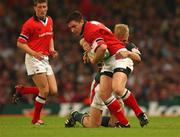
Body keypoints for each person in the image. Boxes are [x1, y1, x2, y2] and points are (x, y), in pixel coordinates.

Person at [66, 11, 148, 127]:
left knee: (117, 95)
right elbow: (92, 43)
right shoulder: (92, 27)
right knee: (93, 124)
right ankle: (76, 115)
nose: (72, 30)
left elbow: (103, 47)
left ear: (81, 22)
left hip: (116, 61)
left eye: (74, 26)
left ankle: (131, 119)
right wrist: (88, 50)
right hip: (102, 76)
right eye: (70, 28)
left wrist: (94, 58)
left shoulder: (92, 32)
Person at [13, 0, 58, 125]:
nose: (42, 9)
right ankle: (35, 119)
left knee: (53, 91)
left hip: (45, 59)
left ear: (47, 7)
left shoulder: (50, 20)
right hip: (33, 59)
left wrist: (51, 49)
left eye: (44, 7)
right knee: (44, 91)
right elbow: (20, 43)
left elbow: (50, 36)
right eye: (39, 7)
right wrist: (34, 53)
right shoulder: (29, 24)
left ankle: (23, 90)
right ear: (35, 8)